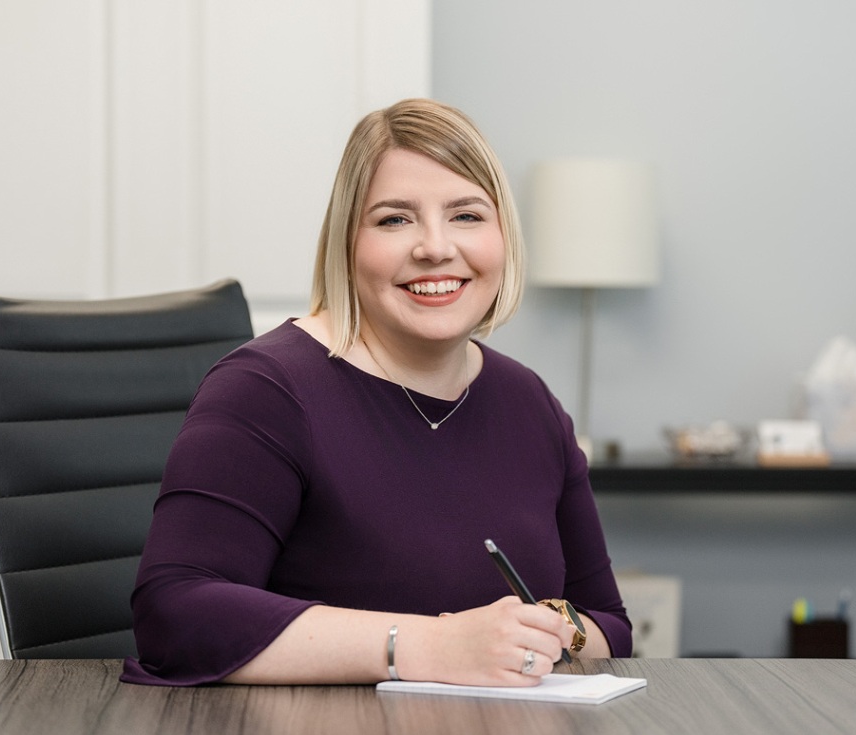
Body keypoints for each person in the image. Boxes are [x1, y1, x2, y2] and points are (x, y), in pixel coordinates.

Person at [122, 98, 631, 687]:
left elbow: (608, 627)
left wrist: (550, 627)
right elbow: (174, 613)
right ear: (347, 243)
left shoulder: (529, 401)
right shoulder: (266, 389)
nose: (435, 248)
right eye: (394, 219)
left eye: (467, 215)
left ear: (503, 238)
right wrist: (431, 647)